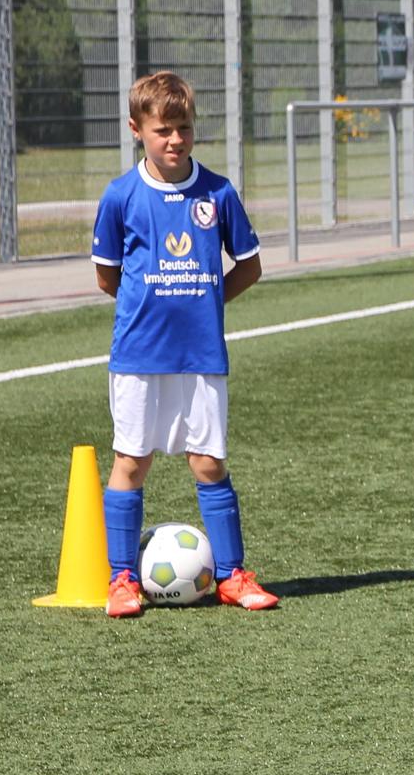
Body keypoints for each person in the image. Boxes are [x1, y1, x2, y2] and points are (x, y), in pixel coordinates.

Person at [93, 70, 277, 618]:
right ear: (137, 130)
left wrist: (207, 305)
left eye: (185, 129)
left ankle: (232, 575)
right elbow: (108, 276)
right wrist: (151, 307)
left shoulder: (217, 192)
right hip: (139, 354)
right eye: (163, 130)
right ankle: (122, 579)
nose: (175, 140)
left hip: (201, 354)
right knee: (131, 460)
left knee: (209, 461)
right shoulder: (120, 196)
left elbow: (249, 267)